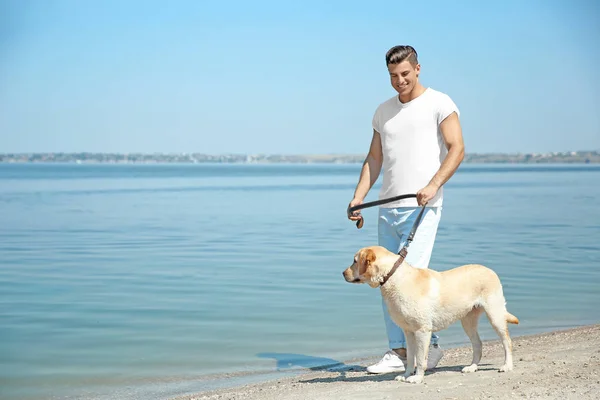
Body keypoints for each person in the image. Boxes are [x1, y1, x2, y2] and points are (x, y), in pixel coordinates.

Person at [347, 45, 465, 374]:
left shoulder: (440, 103)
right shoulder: (383, 112)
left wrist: (433, 185)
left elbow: (457, 149)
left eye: (404, 74)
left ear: (418, 69)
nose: (399, 81)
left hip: (422, 208)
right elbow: (374, 159)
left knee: (406, 282)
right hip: (388, 208)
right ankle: (400, 350)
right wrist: (358, 197)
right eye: (392, 76)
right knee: (384, 280)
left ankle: (422, 348)